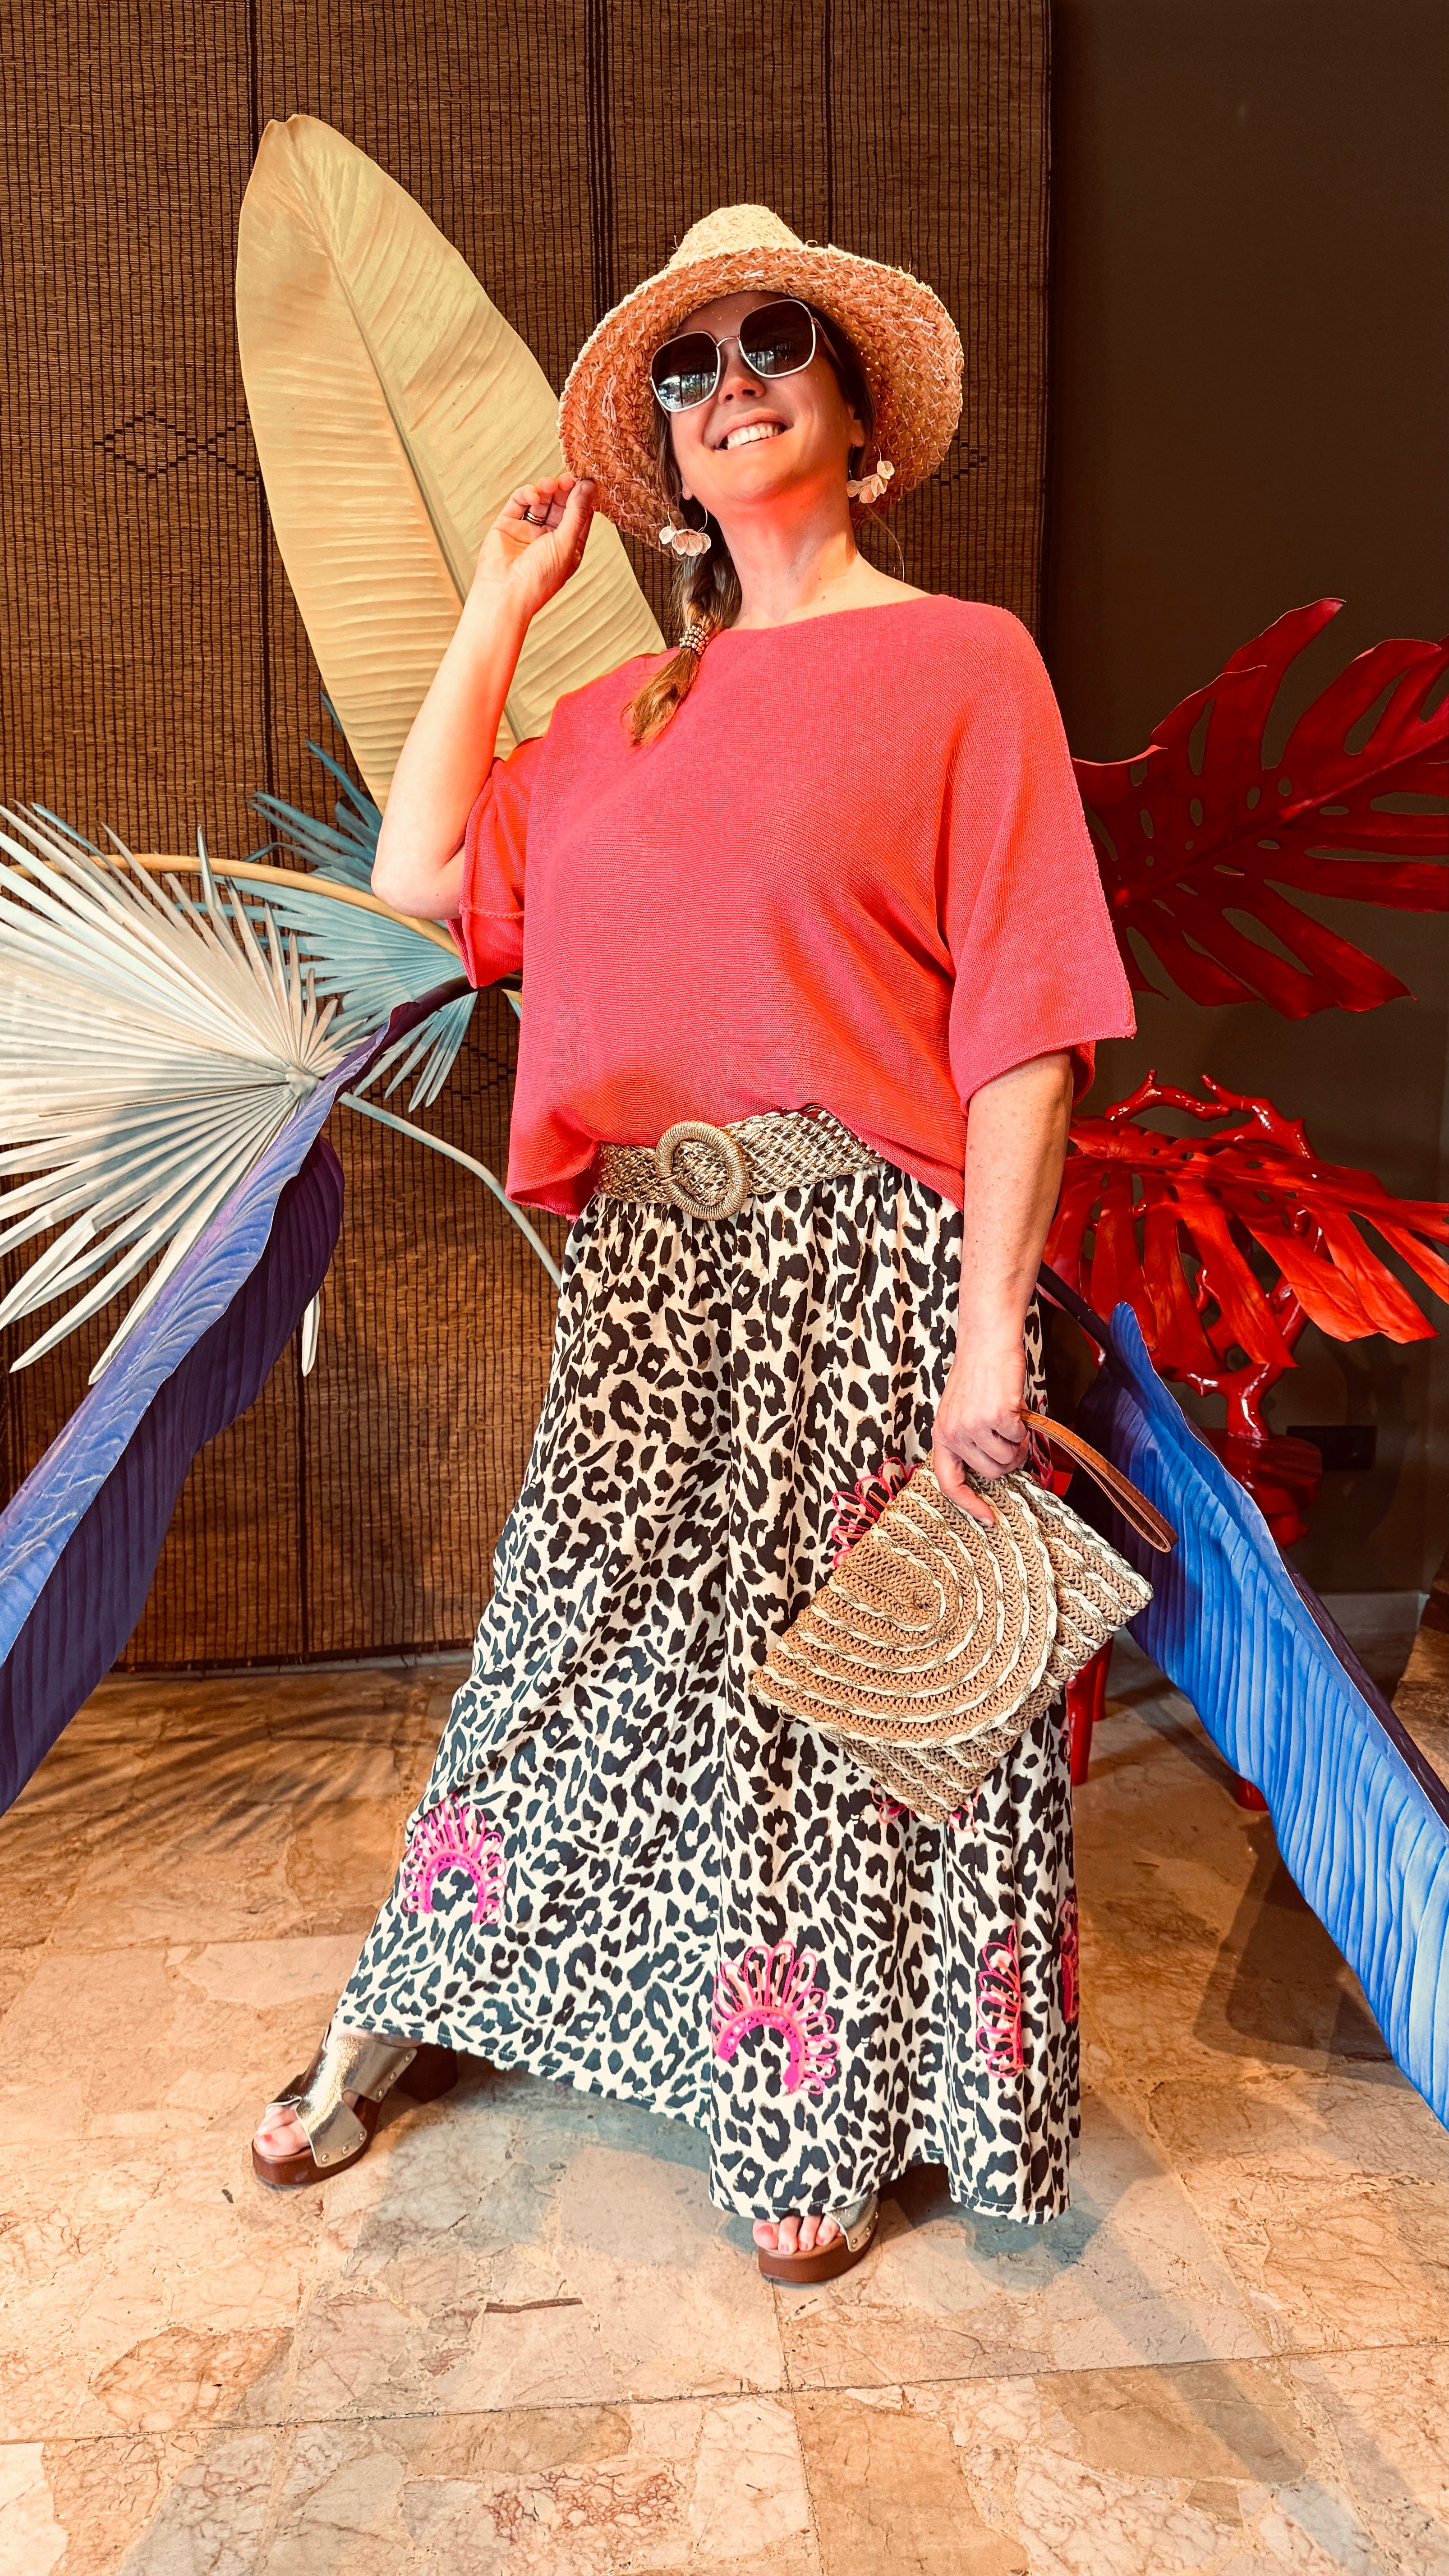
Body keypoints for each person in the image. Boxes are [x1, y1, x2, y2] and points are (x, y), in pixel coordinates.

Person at [252, 205, 1134, 2284]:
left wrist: (988, 1336)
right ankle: (415, 2005)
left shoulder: (962, 663)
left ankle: (817, 2111)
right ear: (665, 449)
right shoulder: (619, 716)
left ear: (862, 421)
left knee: (855, 1725)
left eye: (773, 340)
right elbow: (416, 887)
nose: (728, 381)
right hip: (653, 1279)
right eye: (688, 363)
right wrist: (499, 609)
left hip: (869, 1263)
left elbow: (1029, 1024)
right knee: (563, 1664)